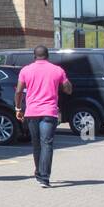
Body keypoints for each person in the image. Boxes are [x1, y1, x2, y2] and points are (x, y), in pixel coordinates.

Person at [16, 45, 73, 189]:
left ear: (34, 56)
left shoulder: (26, 70)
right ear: (48, 56)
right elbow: (68, 89)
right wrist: (65, 83)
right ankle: (44, 177)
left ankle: (38, 172)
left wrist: (18, 108)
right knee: (47, 144)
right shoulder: (57, 70)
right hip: (49, 112)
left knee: (36, 145)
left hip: (32, 112)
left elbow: (18, 91)